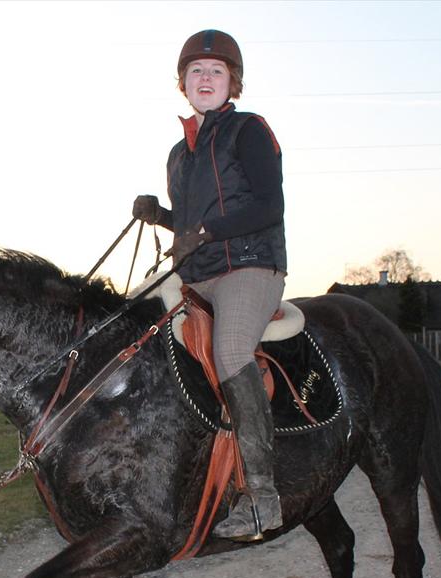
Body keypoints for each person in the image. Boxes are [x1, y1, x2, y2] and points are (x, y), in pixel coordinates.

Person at [133, 29, 287, 542]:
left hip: (249, 266)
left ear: (232, 83)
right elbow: (192, 224)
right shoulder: (180, 154)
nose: (205, 78)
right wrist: (162, 217)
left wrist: (208, 232)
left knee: (229, 349)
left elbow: (269, 206)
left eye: (216, 71)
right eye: (196, 71)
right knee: (135, 332)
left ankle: (263, 496)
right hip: (196, 272)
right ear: (182, 83)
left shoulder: (249, 131)